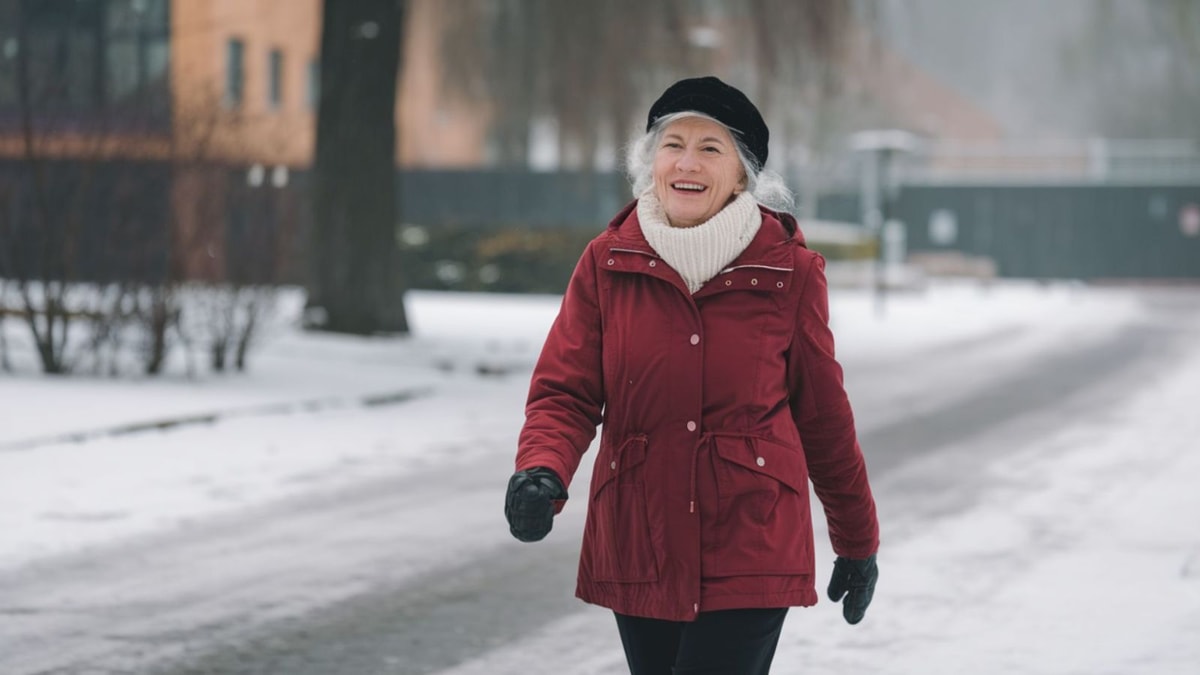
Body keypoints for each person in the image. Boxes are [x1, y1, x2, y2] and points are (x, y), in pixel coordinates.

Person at [505, 75, 880, 675]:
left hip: (750, 540)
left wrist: (857, 540)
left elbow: (823, 417)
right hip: (639, 536)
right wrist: (541, 468)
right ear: (650, 162)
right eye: (673, 143)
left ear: (742, 175)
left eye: (711, 148)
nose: (687, 162)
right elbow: (565, 390)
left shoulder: (792, 273)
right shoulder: (606, 263)